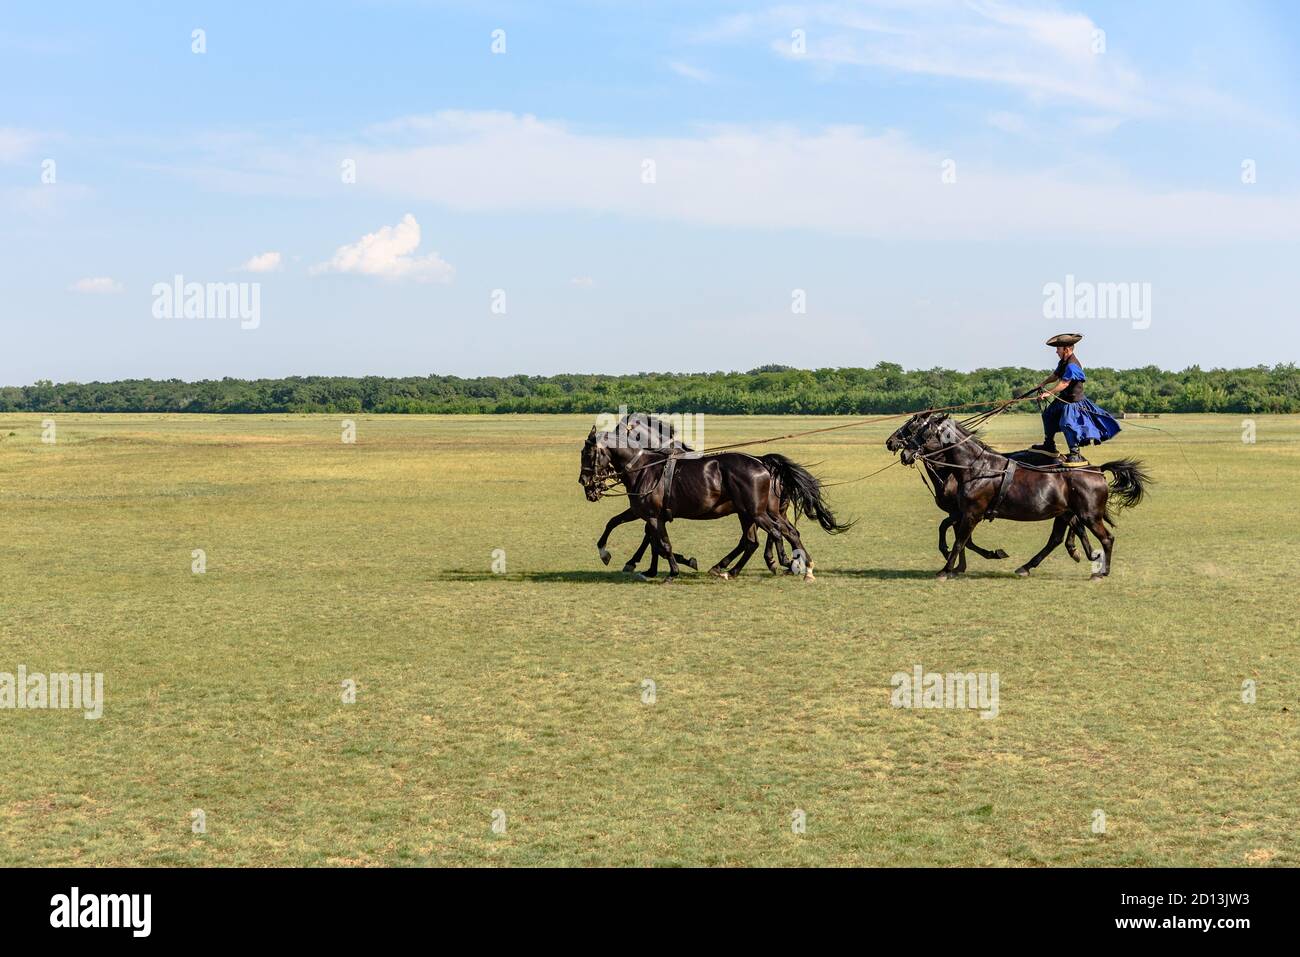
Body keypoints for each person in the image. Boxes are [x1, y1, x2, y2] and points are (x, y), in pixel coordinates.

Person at [1029, 333, 1121, 464]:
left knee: (1066, 424)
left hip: (1072, 403)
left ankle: (1075, 453)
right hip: (1063, 399)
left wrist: (1048, 393)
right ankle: (1049, 445)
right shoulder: (1063, 362)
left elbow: (1064, 383)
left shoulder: (1072, 365)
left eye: (1058, 349)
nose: (1056, 351)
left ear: (1066, 349)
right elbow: (1055, 375)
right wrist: (1043, 383)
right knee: (1048, 415)